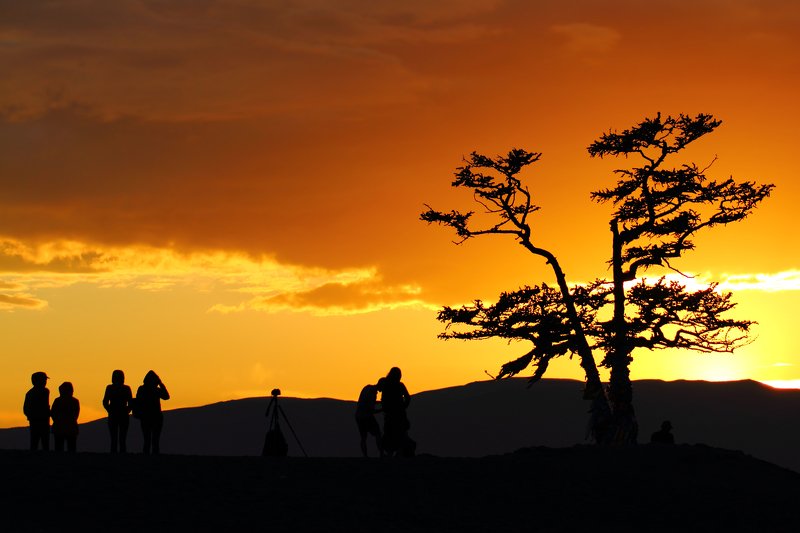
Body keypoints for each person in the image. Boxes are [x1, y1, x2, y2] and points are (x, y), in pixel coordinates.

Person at [380, 367, 414, 457]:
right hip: (399, 415)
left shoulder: (386, 385)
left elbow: (383, 400)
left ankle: (391, 453)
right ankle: (398, 453)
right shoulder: (400, 385)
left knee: (390, 434)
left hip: (390, 415)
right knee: (401, 434)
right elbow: (408, 398)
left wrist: (385, 409)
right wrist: (403, 406)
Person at [136, 370, 170, 454]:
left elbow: (166, 397)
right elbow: (166, 396)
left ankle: (148, 458)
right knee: (154, 440)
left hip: (147, 417)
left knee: (148, 440)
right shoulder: (155, 390)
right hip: (154, 417)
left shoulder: (142, 389)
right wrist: (161, 384)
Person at [103, 369, 133, 453]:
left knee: (118, 438)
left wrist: (110, 410)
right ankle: (119, 455)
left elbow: (105, 402)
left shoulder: (111, 388)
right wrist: (126, 410)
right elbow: (131, 402)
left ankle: (116, 455)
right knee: (118, 438)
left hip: (117, 414)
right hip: (119, 414)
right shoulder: (124, 388)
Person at [355, 378, 384, 457]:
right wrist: (382, 409)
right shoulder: (373, 393)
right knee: (378, 433)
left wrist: (381, 403)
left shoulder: (367, 387)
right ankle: (381, 454)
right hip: (366, 416)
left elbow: (367, 402)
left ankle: (365, 456)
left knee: (363, 437)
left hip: (359, 416)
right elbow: (371, 410)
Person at [23, 371, 51, 451]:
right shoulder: (45, 391)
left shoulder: (30, 393)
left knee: (35, 442)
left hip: (35, 421)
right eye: (44, 380)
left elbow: (25, 409)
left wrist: (31, 416)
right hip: (42, 421)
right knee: (44, 443)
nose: (45, 382)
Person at [51, 382, 80, 452]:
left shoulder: (57, 401)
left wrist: (57, 420)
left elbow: (53, 413)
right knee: (71, 448)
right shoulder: (75, 401)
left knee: (59, 448)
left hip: (59, 427)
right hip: (71, 427)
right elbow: (76, 414)